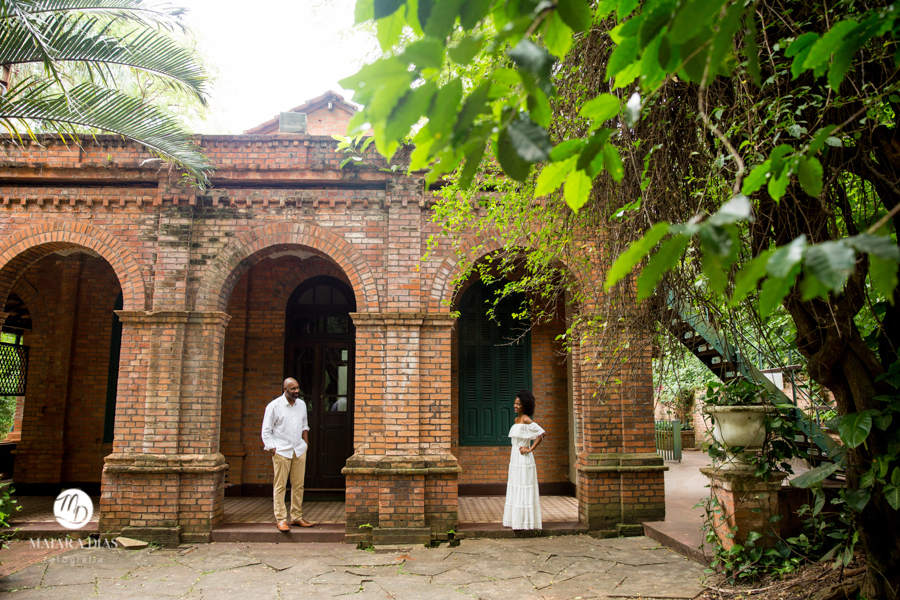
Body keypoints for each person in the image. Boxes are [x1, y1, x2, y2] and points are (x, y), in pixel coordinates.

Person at [261, 377, 315, 531]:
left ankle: (297, 517)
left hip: (298, 450)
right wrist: (272, 448)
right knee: (280, 486)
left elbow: (305, 425)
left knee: (298, 485)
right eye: (293, 389)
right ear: (285, 389)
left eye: (297, 388)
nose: (296, 391)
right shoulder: (274, 406)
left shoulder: (302, 405)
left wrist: (305, 444)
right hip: (281, 451)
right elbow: (266, 430)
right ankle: (280, 519)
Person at [502, 389, 545, 530]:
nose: (515, 406)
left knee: (524, 487)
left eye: (518, 404)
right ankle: (517, 521)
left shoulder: (526, 419)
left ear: (525, 406)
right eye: (515, 403)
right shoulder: (516, 420)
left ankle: (527, 522)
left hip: (524, 459)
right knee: (516, 486)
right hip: (515, 458)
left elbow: (541, 433)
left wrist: (530, 449)